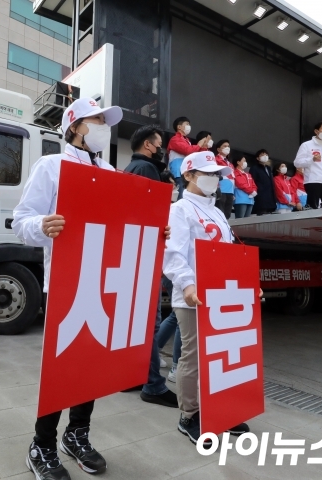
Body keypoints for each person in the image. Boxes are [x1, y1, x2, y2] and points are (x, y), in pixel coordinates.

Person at [14, 98, 170, 479]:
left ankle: (77, 433)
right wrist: (42, 226)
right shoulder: (52, 165)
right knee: (61, 367)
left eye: (105, 121)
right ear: (75, 126)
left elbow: (123, 225)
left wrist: (155, 231)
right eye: (96, 120)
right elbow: (22, 220)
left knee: (92, 365)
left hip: (103, 283)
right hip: (68, 282)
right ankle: (42, 443)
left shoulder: (111, 172)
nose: (103, 125)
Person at [163, 150, 251, 448]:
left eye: (217, 175)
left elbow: (228, 255)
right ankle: (189, 414)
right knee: (194, 356)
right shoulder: (180, 209)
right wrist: (187, 285)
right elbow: (173, 253)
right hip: (193, 296)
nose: (215, 179)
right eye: (208, 174)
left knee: (220, 354)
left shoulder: (217, 211)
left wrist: (248, 285)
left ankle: (220, 408)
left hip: (222, 294)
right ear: (188, 175)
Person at [124, 124, 179, 408]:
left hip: (134, 253)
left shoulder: (130, 168)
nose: (162, 150)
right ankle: (153, 385)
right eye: (160, 144)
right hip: (146, 254)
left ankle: (135, 375)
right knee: (148, 322)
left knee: (137, 322)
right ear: (149, 145)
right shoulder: (146, 171)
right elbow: (149, 213)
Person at [166, 117, 210, 201]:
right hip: (178, 172)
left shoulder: (187, 141)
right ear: (179, 127)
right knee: (181, 196)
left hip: (186, 172)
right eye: (187, 124)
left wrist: (204, 147)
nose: (189, 126)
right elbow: (188, 150)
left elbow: (197, 155)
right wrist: (199, 144)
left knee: (187, 196)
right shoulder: (175, 139)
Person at [249, 150, 276, 215]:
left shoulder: (268, 168)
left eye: (266, 155)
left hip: (270, 197)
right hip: (260, 197)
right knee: (261, 215)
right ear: (257, 158)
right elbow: (252, 182)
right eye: (262, 155)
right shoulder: (254, 168)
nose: (265, 156)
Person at [213, 140, 235, 219]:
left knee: (227, 213)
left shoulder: (230, 163)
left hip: (230, 191)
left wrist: (233, 192)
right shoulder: (215, 160)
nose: (227, 148)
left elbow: (233, 178)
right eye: (225, 146)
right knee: (220, 211)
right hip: (221, 189)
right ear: (218, 149)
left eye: (228, 146)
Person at [232, 154, 257, 219]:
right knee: (240, 219)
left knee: (247, 220)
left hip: (250, 199)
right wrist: (251, 191)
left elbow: (253, 184)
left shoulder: (248, 174)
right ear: (238, 162)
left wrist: (254, 191)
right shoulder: (235, 173)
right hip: (240, 199)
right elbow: (241, 184)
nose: (245, 162)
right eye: (244, 160)